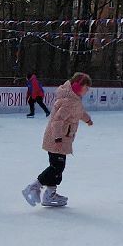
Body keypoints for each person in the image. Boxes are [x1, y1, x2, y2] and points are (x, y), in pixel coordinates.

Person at [24, 72, 94, 208]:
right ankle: (33, 187)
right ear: (78, 86)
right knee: (57, 167)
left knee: (57, 167)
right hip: (58, 139)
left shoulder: (74, 99)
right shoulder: (70, 102)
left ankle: (50, 194)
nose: (87, 91)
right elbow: (57, 121)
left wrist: (87, 119)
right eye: (86, 87)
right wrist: (57, 138)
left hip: (60, 138)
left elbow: (79, 112)